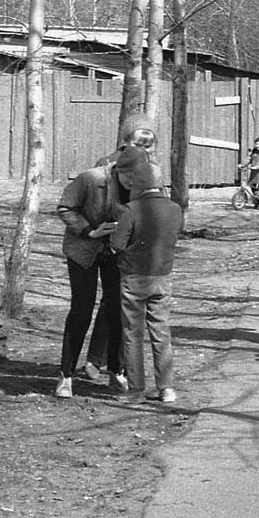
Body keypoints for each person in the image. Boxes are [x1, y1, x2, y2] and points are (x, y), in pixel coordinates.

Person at [109, 144, 185, 404]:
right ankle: (167, 388)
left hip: (134, 277)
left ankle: (136, 390)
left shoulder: (131, 210)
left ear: (137, 184)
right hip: (163, 277)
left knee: (133, 334)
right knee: (161, 332)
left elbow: (117, 244)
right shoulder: (175, 209)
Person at [55, 152, 128, 399]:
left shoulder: (143, 182)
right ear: (117, 169)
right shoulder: (90, 179)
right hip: (82, 250)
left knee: (118, 311)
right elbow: (65, 207)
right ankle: (66, 376)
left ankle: (117, 372)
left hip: (116, 252)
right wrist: (89, 231)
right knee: (81, 310)